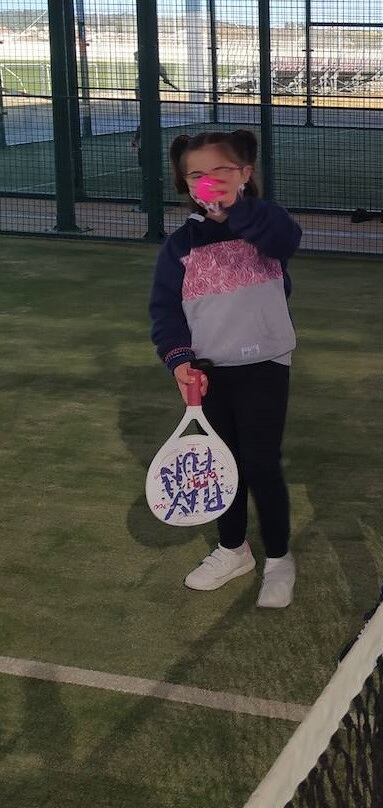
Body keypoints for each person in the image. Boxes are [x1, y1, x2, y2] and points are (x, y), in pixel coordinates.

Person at [149, 130, 303, 609]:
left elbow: (286, 238)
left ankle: (279, 559)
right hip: (210, 373)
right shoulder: (178, 246)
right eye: (197, 174)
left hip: (265, 366)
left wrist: (236, 208)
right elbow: (165, 312)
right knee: (222, 467)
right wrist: (179, 361)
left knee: (261, 464)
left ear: (245, 175)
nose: (209, 181)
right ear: (184, 183)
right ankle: (233, 549)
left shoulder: (265, 226)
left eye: (221, 171)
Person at [131, 51, 180, 212]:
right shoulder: (150, 69)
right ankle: (139, 140)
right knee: (146, 121)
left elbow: (161, 74)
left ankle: (139, 140)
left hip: (149, 98)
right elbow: (162, 74)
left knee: (146, 121)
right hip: (149, 99)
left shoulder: (148, 69)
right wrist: (166, 79)